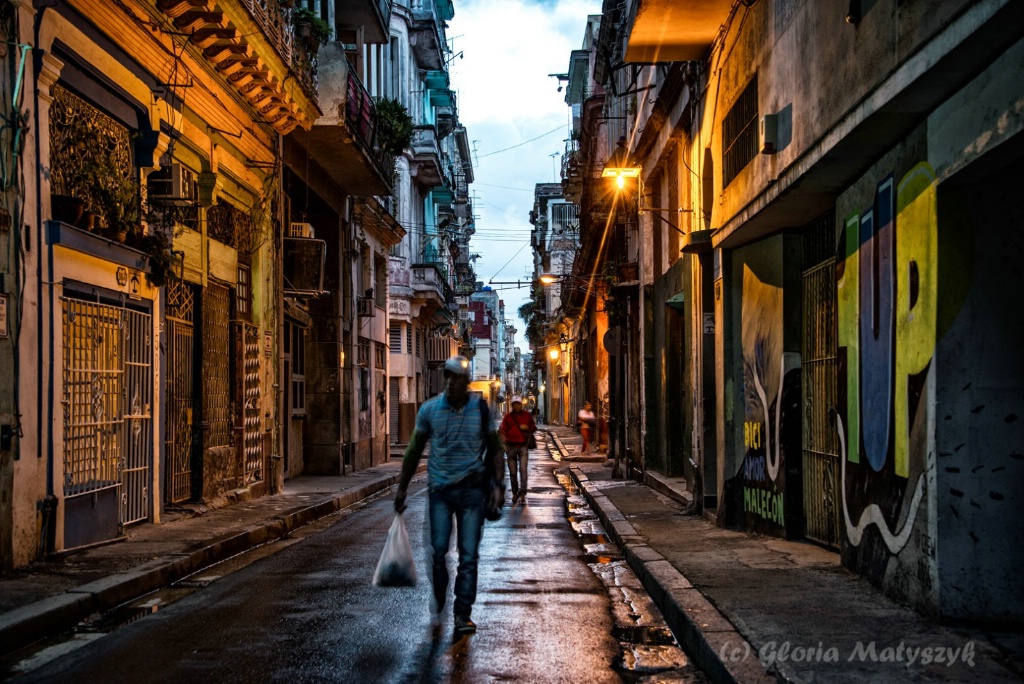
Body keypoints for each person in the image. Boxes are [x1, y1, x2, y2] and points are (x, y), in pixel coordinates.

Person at [394, 355, 505, 636]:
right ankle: (441, 595)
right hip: (440, 492)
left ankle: (462, 613)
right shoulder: (430, 410)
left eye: (458, 378)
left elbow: (495, 449)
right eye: (449, 376)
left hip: (472, 493)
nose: (452, 382)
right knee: (438, 550)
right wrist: (402, 488)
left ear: (466, 382)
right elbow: (413, 451)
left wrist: (498, 486)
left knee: (468, 556)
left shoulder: (480, 410)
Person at [498, 395, 537, 504]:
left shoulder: (526, 416)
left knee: (523, 470)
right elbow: (501, 431)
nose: (516, 406)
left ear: (521, 405)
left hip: (523, 447)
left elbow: (533, 427)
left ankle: (523, 493)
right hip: (511, 448)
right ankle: (515, 493)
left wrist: (527, 428)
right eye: (514, 404)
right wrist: (504, 443)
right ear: (512, 405)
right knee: (513, 472)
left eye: (518, 404)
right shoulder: (508, 417)